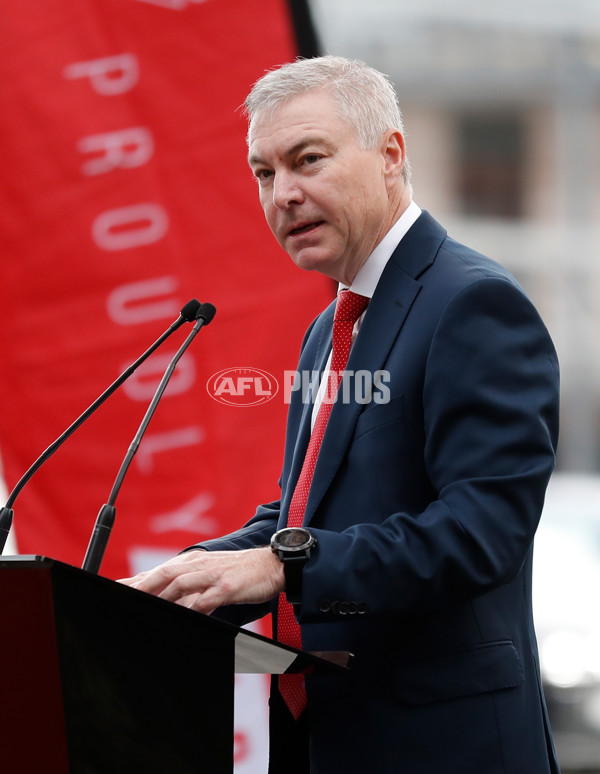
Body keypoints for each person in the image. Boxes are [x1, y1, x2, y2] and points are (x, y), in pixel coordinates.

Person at [121, 56, 561, 773]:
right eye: (264, 173)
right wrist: (189, 579)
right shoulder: (328, 328)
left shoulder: (473, 304)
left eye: (308, 160)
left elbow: (483, 532)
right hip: (330, 740)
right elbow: (307, 515)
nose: (284, 194)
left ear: (391, 155)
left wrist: (282, 568)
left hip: (444, 748)